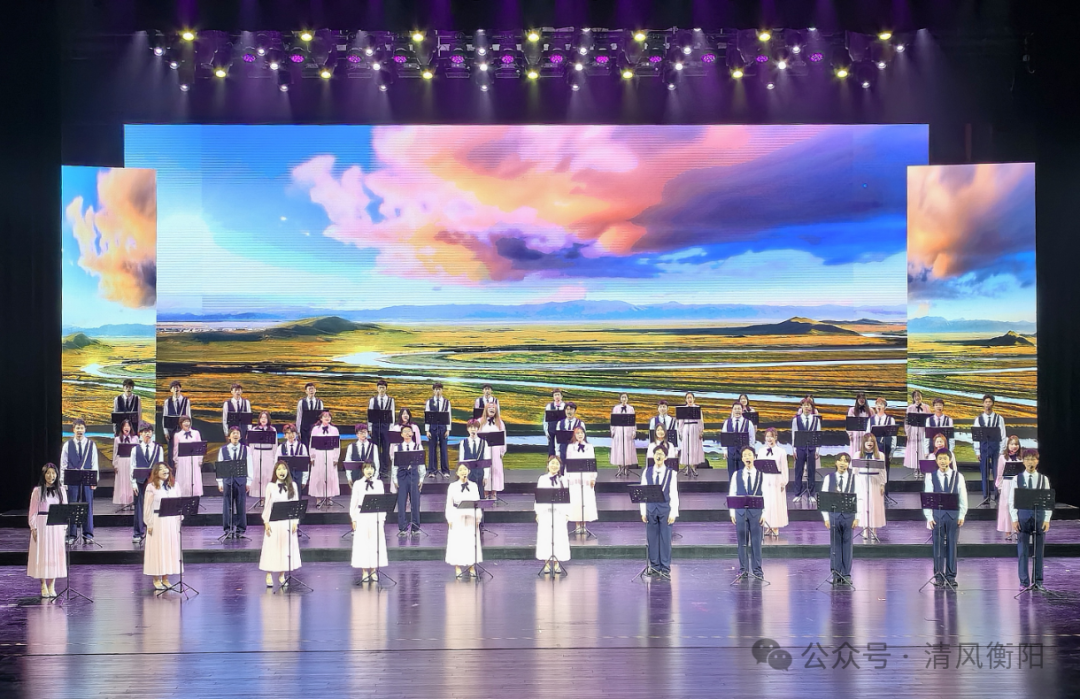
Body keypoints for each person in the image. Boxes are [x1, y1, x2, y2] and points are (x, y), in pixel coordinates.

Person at [923, 449, 968, 587]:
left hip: (953, 515)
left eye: (945, 458)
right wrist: (929, 516)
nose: (943, 461)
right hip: (937, 515)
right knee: (937, 546)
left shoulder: (958, 476)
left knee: (952, 545)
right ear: (936, 461)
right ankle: (938, 576)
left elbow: (963, 496)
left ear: (950, 460)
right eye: (940, 459)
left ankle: (951, 576)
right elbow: (928, 497)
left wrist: (962, 514)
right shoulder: (931, 476)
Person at [1010, 449, 1052, 591]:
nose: (1030, 462)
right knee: (1022, 551)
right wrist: (1014, 519)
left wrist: (1047, 519)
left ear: (1037, 461)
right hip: (1023, 517)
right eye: (1027, 459)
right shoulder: (1016, 479)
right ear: (1023, 461)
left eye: (1033, 459)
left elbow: (1047, 500)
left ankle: (1038, 581)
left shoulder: (1043, 479)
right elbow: (1012, 500)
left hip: (1039, 517)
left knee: (1039, 551)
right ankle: (1024, 581)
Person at [260, 461, 301, 589]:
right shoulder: (270, 486)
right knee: (272, 547)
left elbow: (296, 504)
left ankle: (282, 575)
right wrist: (266, 522)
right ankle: (269, 574)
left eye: (283, 469)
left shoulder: (293, 485)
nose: (281, 471)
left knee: (285, 549)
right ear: (275, 472)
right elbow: (267, 506)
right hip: (274, 521)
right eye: (278, 469)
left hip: (287, 522)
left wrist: (295, 522)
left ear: (287, 471)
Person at [640, 444, 680, 578]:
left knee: (665, 539)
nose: (658, 456)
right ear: (653, 456)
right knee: (652, 539)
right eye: (656, 453)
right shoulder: (647, 472)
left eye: (661, 454)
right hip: (651, 509)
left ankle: (665, 568)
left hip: (665, 510)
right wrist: (643, 511)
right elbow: (642, 492)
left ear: (665, 457)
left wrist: (673, 512)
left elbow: (674, 493)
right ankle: (654, 566)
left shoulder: (671, 473)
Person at [27, 463, 67, 598]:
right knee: (42, 553)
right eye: (48, 473)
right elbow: (33, 511)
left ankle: (52, 585)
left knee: (55, 554)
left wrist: (64, 527)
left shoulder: (61, 490)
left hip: (56, 525)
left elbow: (65, 510)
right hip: (42, 524)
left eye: (53, 473)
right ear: (44, 475)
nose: (51, 476)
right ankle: (43, 584)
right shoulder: (37, 491)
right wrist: (33, 527)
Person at [143, 463, 182, 591]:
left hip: (170, 520)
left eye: (166, 469)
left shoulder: (174, 486)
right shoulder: (151, 487)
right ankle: (156, 578)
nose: (164, 471)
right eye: (161, 469)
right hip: (157, 520)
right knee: (157, 549)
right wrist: (149, 523)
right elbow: (147, 507)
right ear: (156, 472)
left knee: (169, 549)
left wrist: (178, 520)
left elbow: (178, 503)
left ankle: (166, 578)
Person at [820, 453, 858, 584]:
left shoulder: (854, 479)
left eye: (846, 461)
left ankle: (846, 574)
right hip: (834, 516)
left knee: (847, 545)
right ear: (836, 462)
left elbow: (860, 498)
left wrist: (857, 517)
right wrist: (826, 518)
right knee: (835, 545)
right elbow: (824, 499)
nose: (843, 463)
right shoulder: (828, 478)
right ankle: (836, 573)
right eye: (840, 460)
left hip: (849, 516)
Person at [60, 418, 99, 543]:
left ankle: (88, 534)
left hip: (87, 479)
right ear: (73, 429)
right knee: (72, 506)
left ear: (85, 429)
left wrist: (94, 480)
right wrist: (63, 481)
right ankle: (71, 535)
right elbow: (63, 464)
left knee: (87, 505)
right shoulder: (67, 445)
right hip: (72, 480)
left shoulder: (91, 445)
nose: (80, 430)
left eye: (82, 428)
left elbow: (94, 463)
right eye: (77, 428)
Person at [729, 446, 765, 580]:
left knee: (756, 542)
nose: (747, 457)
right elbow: (732, 492)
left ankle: (757, 570)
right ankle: (743, 569)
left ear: (754, 457)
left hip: (756, 512)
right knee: (742, 542)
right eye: (745, 455)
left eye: (749, 455)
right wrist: (732, 512)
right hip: (740, 512)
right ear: (742, 459)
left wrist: (765, 513)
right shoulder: (737, 475)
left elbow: (766, 495)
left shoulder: (761, 475)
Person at [350, 462, 389, 581]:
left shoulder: (379, 483)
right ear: (363, 470)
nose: (369, 470)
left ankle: (373, 570)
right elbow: (354, 502)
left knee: (375, 543)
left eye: (371, 468)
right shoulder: (357, 484)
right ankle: (364, 571)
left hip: (375, 516)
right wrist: (353, 518)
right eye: (367, 468)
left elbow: (382, 502)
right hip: (362, 515)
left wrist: (382, 518)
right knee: (363, 543)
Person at [445, 463, 483, 578]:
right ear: (457, 473)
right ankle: (457, 567)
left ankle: (471, 566)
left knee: (470, 542)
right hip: (457, 516)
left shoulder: (474, 486)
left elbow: (477, 503)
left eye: (465, 469)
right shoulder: (453, 486)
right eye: (460, 470)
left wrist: (478, 517)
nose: (463, 472)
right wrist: (449, 518)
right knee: (458, 542)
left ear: (469, 471)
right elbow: (449, 504)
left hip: (471, 516)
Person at [535, 456, 571, 574]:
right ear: (548, 465)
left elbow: (566, 498)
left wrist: (567, 513)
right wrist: (538, 512)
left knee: (558, 537)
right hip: (546, 512)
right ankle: (546, 563)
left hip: (559, 513)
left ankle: (556, 563)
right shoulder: (542, 479)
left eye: (556, 464)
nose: (554, 466)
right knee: (545, 537)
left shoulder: (563, 480)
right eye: (552, 463)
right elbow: (538, 497)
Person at [131, 422, 164, 544]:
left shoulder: (158, 448)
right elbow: (132, 466)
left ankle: (155, 531)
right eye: (145, 432)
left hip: (154, 482)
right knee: (139, 508)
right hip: (140, 482)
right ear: (140, 434)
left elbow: (161, 466)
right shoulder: (135, 449)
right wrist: (133, 483)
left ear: (152, 433)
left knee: (155, 506)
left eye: (149, 431)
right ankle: (138, 533)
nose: (147, 434)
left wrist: (160, 481)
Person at [391, 425, 425, 536]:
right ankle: (402, 527)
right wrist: (395, 478)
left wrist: (421, 478)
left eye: (409, 431)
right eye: (405, 431)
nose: (407, 433)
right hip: (402, 476)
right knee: (401, 502)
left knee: (415, 501)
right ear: (401, 434)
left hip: (414, 475)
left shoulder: (418, 446)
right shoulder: (397, 447)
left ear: (412, 433)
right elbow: (394, 465)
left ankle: (415, 527)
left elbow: (421, 464)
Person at [216, 427, 249, 539]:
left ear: (240, 436)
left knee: (241, 505)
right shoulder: (223, 450)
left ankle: (240, 529)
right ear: (229, 436)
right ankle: (228, 529)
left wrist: (249, 481)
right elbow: (220, 466)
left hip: (241, 481)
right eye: (233, 433)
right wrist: (220, 482)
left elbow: (250, 465)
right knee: (227, 506)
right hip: (227, 481)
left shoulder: (246, 449)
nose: (235, 435)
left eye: (237, 433)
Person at [853, 432, 887, 542]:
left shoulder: (880, 455)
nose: (869, 443)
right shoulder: (858, 455)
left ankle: (874, 530)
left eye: (872, 441)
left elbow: (883, 471)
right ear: (863, 443)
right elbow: (855, 471)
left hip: (875, 483)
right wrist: (855, 485)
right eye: (867, 441)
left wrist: (882, 484)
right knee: (863, 505)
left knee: (874, 505)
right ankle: (864, 529)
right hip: (862, 482)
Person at [972, 394, 1007, 502]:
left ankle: (997, 495)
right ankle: (985, 496)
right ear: (983, 404)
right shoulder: (978, 419)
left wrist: (1002, 450)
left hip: (996, 449)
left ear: (993, 404)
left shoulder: (999, 418)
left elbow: (1003, 435)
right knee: (984, 473)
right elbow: (976, 436)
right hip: (984, 448)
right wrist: (977, 451)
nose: (988, 404)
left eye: (989, 402)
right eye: (986, 402)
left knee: (997, 473)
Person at [756, 428, 789, 537]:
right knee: (767, 503)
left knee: (776, 504)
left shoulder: (781, 452)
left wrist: (783, 482)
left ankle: (775, 527)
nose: (769, 439)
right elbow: (758, 467)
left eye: (771, 436)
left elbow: (784, 468)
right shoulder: (761, 451)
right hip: (765, 480)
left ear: (775, 437)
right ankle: (768, 526)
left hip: (777, 481)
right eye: (767, 436)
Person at [566, 426, 597, 534]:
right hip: (575, 478)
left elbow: (592, 463)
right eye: (578, 433)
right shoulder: (571, 447)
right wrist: (568, 478)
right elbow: (568, 463)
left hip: (586, 478)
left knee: (586, 501)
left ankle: (584, 524)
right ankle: (577, 524)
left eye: (581, 433)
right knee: (576, 501)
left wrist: (593, 477)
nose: (580, 435)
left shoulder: (589, 447)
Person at [790, 397, 821, 505]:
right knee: (798, 471)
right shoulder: (796, 420)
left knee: (811, 471)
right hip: (800, 448)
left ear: (812, 407)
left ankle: (811, 494)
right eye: (805, 405)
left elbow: (818, 435)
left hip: (811, 449)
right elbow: (794, 434)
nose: (807, 407)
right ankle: (797, 493)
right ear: (801, 407)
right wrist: (794, 449)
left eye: (809, 405)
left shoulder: (816, 420)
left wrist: (817, 450)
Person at [308, 411, 341, 506]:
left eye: (329, 416)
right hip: (319, 454)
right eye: (325, 416)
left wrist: (336, 458)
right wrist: (312, 457)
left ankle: (329, 497)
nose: (327, 418)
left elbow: (337, 445)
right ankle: (318, 498)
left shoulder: (334, 430)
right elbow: (312, 444)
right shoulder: (315, 429)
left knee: (330, 476)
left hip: (330, 454)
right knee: (319, 476)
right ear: (321, 418)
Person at [996, 435, 1024, 541]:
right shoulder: (1003, 458)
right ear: (1008, 445)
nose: (1014, 446)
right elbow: (999, 474)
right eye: (1012, 444)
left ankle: (1017, 530)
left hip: (1018, 483)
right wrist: (999, 486)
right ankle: (1008, 531)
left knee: (1018, 506)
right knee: (1007, 506)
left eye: (1016, 444)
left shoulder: (1021, 457)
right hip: (1007, 484)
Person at [247, 411, 278, 506]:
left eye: (265, 418)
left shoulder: (272, 430)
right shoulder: (254, 430)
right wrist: (251, 456)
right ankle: (261, 498)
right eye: (262, 417)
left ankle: (268, 497)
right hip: (257, 453)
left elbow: (275, 445)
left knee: (268, 476)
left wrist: (275, 458)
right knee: (258, 476)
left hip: (268, 454)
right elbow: (251, 445)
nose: (263, 419)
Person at [367, 380, 396, 479]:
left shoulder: (390, 400)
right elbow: (370, 415)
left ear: (386, 389)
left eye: (383, 387)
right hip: (375, 427)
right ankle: (376, 469)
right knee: (376, 448)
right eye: (380, 388)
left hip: (386, 427)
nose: (382, 389)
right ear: (377, 389)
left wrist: (391, 428)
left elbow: (392, 414)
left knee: (386, 449)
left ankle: (385, 470)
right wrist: (370, 428)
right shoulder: (373, 400)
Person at [479, 402, 507, 499]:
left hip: (496, 450)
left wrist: (502, 451)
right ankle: (485, 492)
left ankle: (494, 492)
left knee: (495, 470)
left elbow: (503, 437)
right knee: (485, 470)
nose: (492, 409)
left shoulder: (500, 423)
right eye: (490, 407)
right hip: (484, 451)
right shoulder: (480, 422)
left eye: (494, 408)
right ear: (486, 409)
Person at [172, 416, 205, 499]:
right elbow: (176, 449)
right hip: (182, 460)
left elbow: (199, 447)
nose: (186, 423)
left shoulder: (196, 433)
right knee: (183, 477)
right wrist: (176, 461)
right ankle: (183, 496)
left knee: (194, 477)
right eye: (184, 422)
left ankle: (194, 496)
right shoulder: (177, 435)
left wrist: (200, 459)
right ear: (181, 424)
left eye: (188, 421)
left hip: (193, 459)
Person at [425, 382, 452, 480]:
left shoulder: (446, 402)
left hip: (443, 428)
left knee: (443, 449)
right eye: (436, 389)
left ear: (442, 390)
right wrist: (427, 430)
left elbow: (449, 415)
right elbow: (427, 416)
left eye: (439, 389)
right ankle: (432, 470)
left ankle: (445, 471)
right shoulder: (429, 402)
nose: (438, 391)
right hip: (432, 428)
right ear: (433, 391)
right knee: (432, 449)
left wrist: (448, 429)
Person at [721, 403, 756, 479]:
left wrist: (751, 452)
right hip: (731, 453)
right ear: (732, 410)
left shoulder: (748, 423)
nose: (737, 411)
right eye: (735, 409)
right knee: (732, 475)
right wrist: (725, 451)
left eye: (739, 409)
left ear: (742, 410)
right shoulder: (727, 422)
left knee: (744, 475)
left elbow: (752, 439)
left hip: (744, 454)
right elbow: (724, 437)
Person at [457, 418, 490, 497]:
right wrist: (462, 475)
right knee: (468, 495)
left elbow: (486, 460)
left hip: (480, 474)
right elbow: (461, 460)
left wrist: (486, 476)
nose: (473, 429)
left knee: (480, 495)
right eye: (471, 427)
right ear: (467, 429)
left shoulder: (483, 443)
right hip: (468, 474)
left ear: (478, 429)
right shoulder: (463, 442)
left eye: (475, 427)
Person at [162, 380, 190, 466]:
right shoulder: (167, 402)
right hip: (171, 430)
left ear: (180, 388)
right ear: (171, 390)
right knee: (171, 451)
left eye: (177, 387)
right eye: (173, 387)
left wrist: (188, 430)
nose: (176, 389)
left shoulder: (186, 401)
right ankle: (171, 470)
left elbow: (188, 416)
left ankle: (183, 468)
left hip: (182, 429)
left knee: (183, 450)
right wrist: (165, 431)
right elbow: (164, 417)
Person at [870, 398, 897, 487]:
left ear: (885, 407)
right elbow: (867, 435)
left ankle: (885, 491)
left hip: (886, 448)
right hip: (874, 448)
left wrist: (892, 450)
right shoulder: (871, 420)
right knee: (874, 469)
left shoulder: (890, 420)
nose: (879, 406)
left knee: (885, 470)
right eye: (877, 404)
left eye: (881, 404)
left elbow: (893, 436)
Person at [676, 392, 704, 478]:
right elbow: (680, 422)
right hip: (686, 429)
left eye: (691, 397)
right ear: (686, 399)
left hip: (695, 428)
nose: (689, 399)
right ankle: (687, 467)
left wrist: (701, 431)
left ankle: (694, 467)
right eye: (688, 398)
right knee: (686, 448)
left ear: (694, 399)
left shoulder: (697, 409)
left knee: (695, 448)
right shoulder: (683, 409)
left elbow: (701, 421)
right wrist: (680, 432)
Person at [610, 393, 638, 479]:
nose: (624, 399)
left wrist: (634, 431)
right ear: (620, 399)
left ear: (627, 399)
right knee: (618, 449)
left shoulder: (631, 408)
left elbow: (633, 421)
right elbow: (613, 421)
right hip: (618, 431)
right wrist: (612, 431)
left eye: (625, 397)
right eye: (622, 397)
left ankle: (626, 468)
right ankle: (619, 468)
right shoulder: (616, 408)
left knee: (627, 449)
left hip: (627, 431)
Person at [275, 423, 310, 491]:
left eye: (292, 433)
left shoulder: (302, 447)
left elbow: (306, 465)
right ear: (285, 435)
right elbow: (276, 463)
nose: (290, 435)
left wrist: (304, 480)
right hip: (285, 477)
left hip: (298, 477)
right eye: (288, 433)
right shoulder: (280, 447)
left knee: (297, 495)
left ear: (296, 434)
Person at [904, 390, 932, 472]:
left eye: (919, 395)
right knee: (914, 449)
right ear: (913, 398)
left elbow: (929, 420)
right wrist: (908, 433)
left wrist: (929, 432)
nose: (917, 397)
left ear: (921, 397)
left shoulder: (926, 407)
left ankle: (922, 468)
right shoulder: (910, 408)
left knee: (923, 449)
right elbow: (907, 422)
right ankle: (915, 468)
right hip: (913, 431)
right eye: (915, 396)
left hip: (923, 431)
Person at [112, 419, 136, 508]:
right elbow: (115, 453)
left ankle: (132, 502)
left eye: (128, 426)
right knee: (122, 482)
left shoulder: (135, 438)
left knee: (131, 481)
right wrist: (115, 464)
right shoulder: (117, 439)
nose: (127, 428)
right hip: (121, 461)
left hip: (131, 462)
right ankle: (123, 502)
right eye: (125, 426)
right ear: (122, 428)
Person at [295, 382, 324, 446]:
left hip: (315, 429)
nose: (311, 391)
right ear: (306, 391)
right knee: (305, 446)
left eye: (313, 389)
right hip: (304, 430)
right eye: (309, 389)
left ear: (315, 390)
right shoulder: (301, 402)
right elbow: (299, 417)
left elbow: (321, 418)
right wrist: (298, 431)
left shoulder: (320, 403)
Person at [846, 392, 871, 456]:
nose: (861, 400)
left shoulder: (870, 410)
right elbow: (849, 423)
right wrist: (850, 434)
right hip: (855, 435)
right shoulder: (852, 410)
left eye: (863, 398)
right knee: (854, 453)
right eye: (860, 398)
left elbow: (872, 422)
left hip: (866, 435)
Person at [544, 389, 567, 457]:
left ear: (561, 396)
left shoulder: (565, 406)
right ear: (553, 397)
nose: (557, 397)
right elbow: (545, 421)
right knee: (551, 451)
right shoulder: (549, 406)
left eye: (558, 395)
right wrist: (546, 432)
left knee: (562, 450)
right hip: (552, 432)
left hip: (562, 432)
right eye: (555, 395)